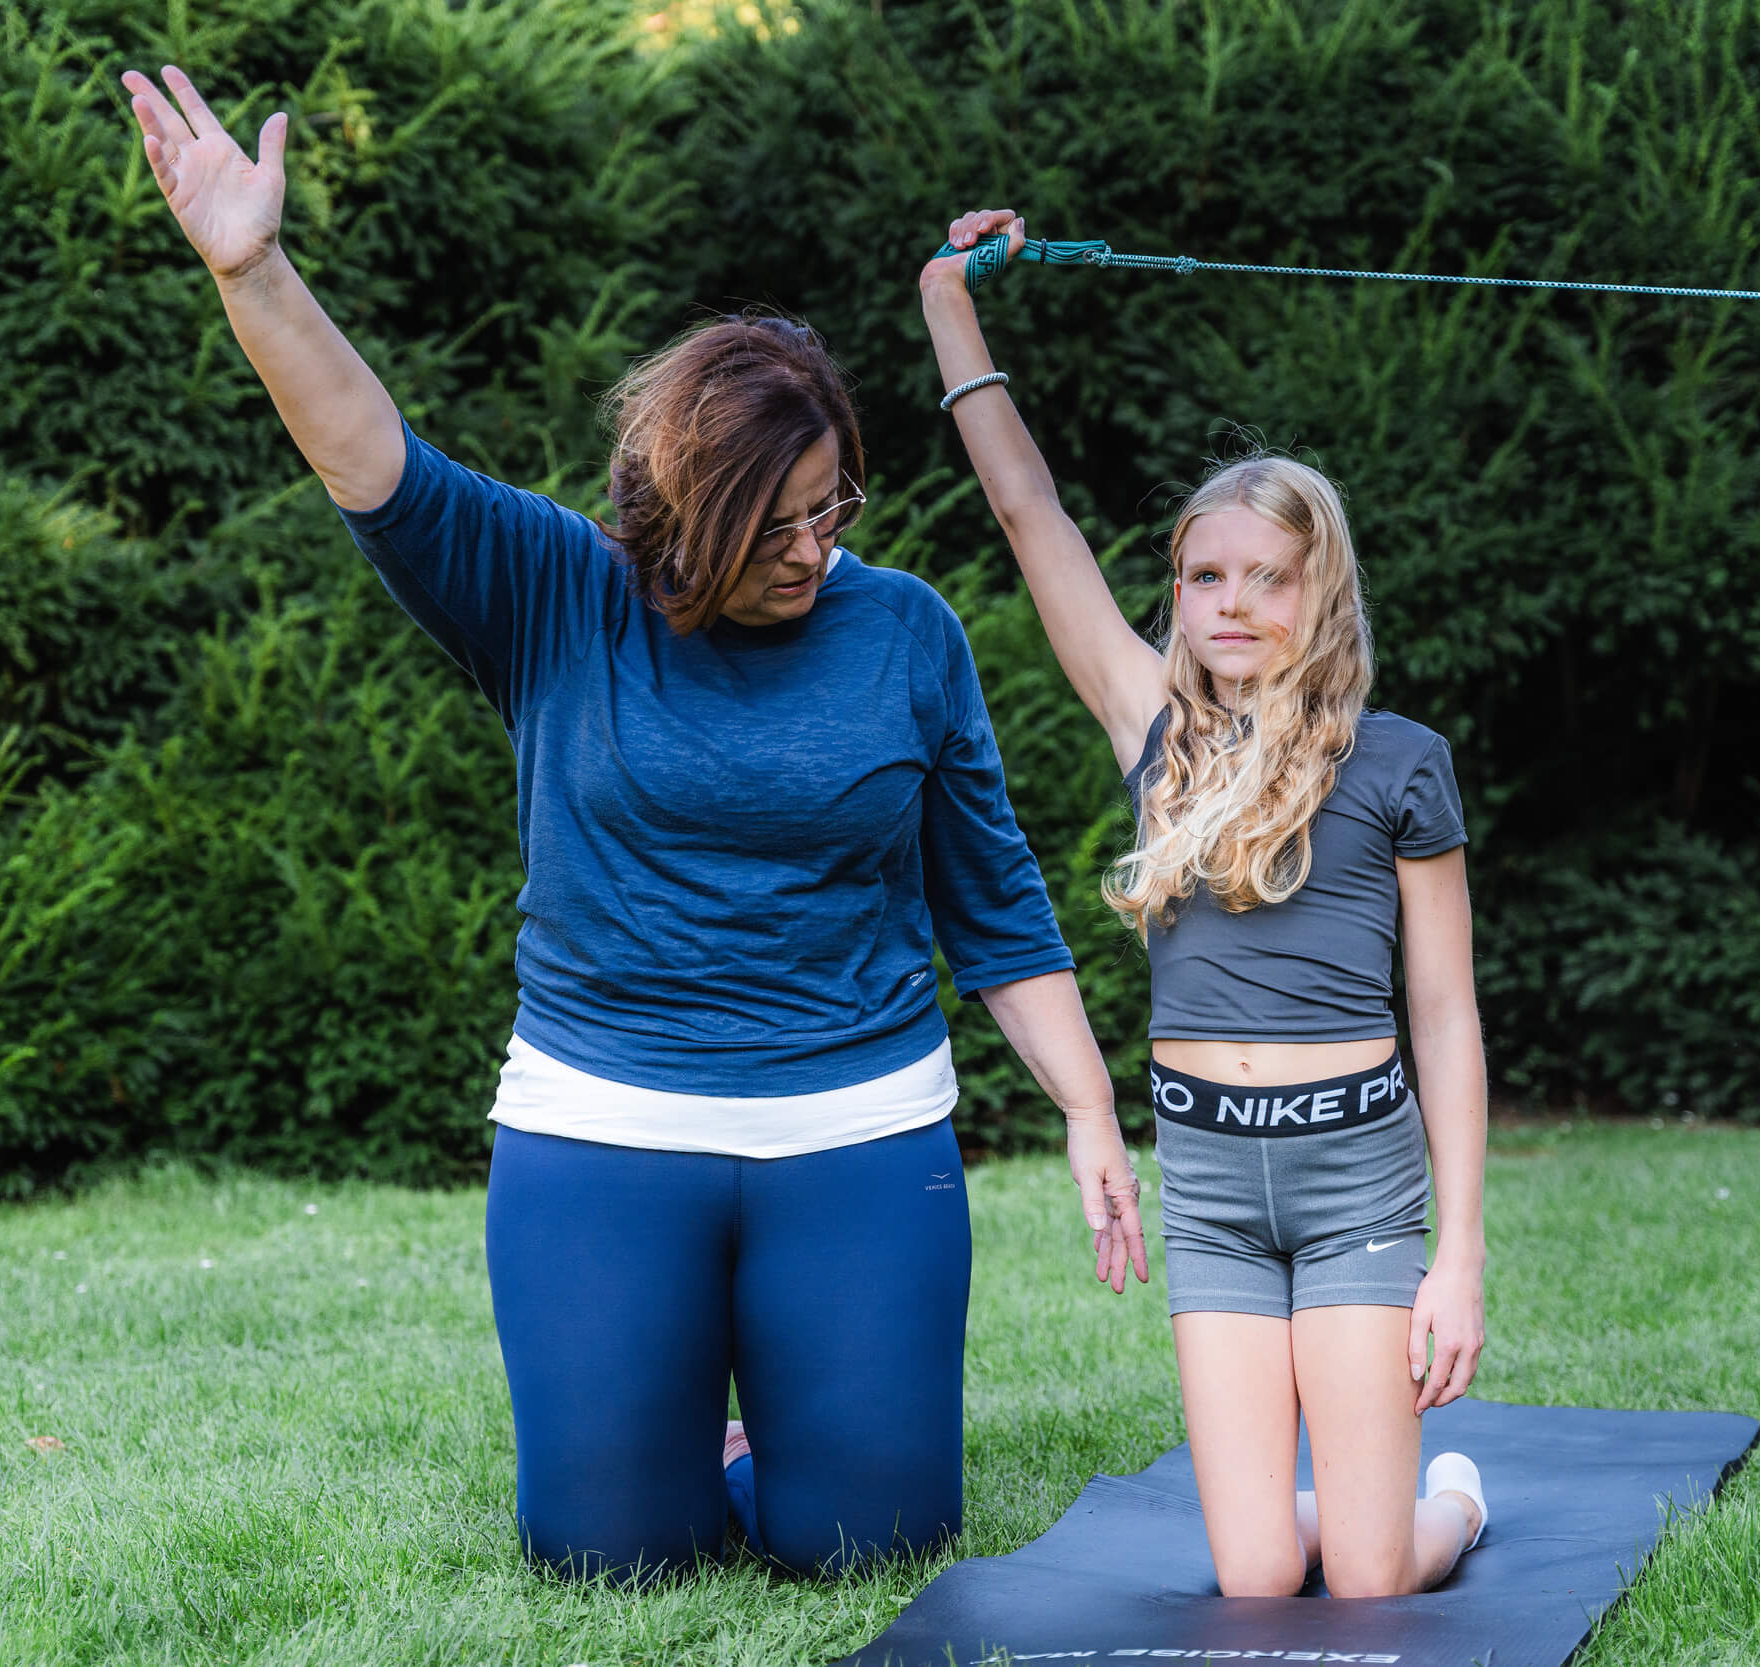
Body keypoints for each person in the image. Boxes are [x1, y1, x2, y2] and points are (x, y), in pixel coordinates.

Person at [119, 69, 1150, 1584]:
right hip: (606, 1127)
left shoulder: (906, 635)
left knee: (868, 1545)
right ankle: (692, 1425)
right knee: (610, 1560)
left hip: (857, 1129)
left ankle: (787, 1417)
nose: (812, 549)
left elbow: (992, 907)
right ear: (684, 512)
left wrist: (1086, 1109)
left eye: (832, 509)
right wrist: (254, 271)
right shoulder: (553, 592)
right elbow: (371, 460)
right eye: (774, 523)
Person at [919, 209, 1492, 1599]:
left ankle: (1455, 1504)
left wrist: (1458, 1255)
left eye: (1267, 577)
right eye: (1203, 575)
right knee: (1252, 1580)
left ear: (1320, 589)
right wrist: (948, 300)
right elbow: (1027, 510)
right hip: (1215, 1183)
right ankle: (1361, 1486)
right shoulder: (1150, 730)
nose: (1231, 604)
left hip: (1358, 1174)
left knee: (1365, 1580)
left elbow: (1445, 1015)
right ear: (1174, 591)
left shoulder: (1402, 764)